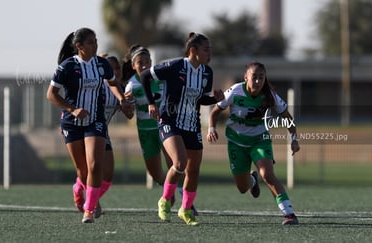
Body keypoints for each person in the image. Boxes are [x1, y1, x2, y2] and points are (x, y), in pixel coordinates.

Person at [46, 28, 129, 223]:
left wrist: (121, 99)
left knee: (95, 165)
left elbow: (113, 83)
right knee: (82, 171)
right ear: (79, 47)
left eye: (96, 41)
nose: (95, 45)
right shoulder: (66, 67)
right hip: (72, 123)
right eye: (91, 42)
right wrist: (72, 109)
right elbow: (51, 95)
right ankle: (79, 189)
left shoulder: (102, 64)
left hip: (95, 120)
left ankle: (89, 210)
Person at [140, 33, 224, 225]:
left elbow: (201, 99)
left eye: (210, 49)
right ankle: (164, 201)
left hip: (192, 125)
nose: (210, 53)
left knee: (193, 171)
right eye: (206, 49)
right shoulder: (176, 66)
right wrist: (151, 103)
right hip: (170, 121)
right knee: (179, 163)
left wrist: (214, 99)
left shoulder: (206, 73)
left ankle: (185, 210)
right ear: (193, 50)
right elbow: (145, 76)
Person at [206, 61, 300, 225]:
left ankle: (289, 213)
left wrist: (294, 139)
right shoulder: (235, 91)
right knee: (243, 187)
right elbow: (215, 112)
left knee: (267, 174)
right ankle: (252, 181)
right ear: (246, 77)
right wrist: (211, 129)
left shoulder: (269, 95)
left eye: (261, 78)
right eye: (254, 77)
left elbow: (287, 117)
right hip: (236, 142)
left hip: (259, 140)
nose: (257, 81)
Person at [122, 45, 198, 215]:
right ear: (133, 65)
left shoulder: (161, 77)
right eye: (140, 63)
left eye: (147, 61)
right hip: (146, 132)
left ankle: (186, 202)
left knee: (176, 165)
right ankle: (167, 192)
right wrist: (126, 107)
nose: (144, 65)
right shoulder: (131, 85)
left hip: (165, 126)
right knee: (155, 174)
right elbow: (128, 115)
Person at [71, 53, 129, 219]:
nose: (115, 71)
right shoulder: (97, 86)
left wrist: (127, 105)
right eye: (111, 67)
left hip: (102, 131)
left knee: (108, 176)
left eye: (117, 67)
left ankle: (85, 193)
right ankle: (89, 201)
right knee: (90, 169)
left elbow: (129, 115)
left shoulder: (121, 89)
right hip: (84, 130)